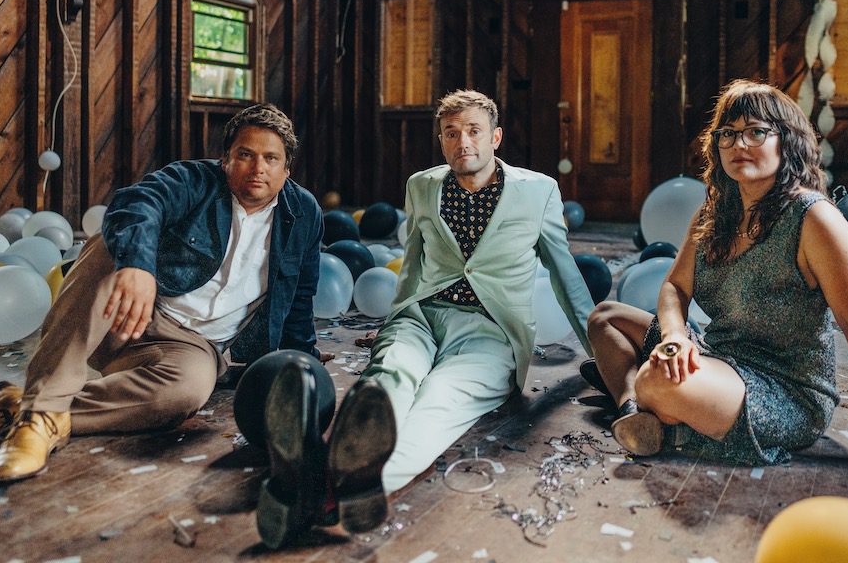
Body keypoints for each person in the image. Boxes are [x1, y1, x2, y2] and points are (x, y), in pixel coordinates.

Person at [252, 89, 595, 548]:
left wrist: (602, 353)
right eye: (451, 133)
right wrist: (395, 320)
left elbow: (564, 274)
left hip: (490, 330)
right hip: (421, 315)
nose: (463, 142)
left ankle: (315, 485)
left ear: (495, 137)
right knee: (388, 378)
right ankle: (340, 475)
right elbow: (412, 265)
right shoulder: (422, 186)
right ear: (441, 140)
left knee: (439, 401)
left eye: (473, 131)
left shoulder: (539, 192)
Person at [0, 103, 324, 482]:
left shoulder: (303, 215)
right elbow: (139, 202)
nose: (258, 168)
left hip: (195, 348)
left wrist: (304, 376)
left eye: (271, 159)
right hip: (129, 316)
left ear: (287, 170)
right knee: (112, 243)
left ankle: (19, 408)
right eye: (245, 154)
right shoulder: (195, 180)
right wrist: (138, 266)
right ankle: (41, 413)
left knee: (188, 391)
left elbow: (299, 299)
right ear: (226, 159)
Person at [586, 80, 848, 472]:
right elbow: (675, 286)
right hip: (716, 353)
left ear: (787, 141)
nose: (739, 145)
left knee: (657, 379)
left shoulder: (815, 220)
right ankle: (634, 411)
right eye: (729, 134)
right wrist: (675, 335)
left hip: (783, 389)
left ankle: (653, 405)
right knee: (605, 317)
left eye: (756, 132)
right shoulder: (714, 212)